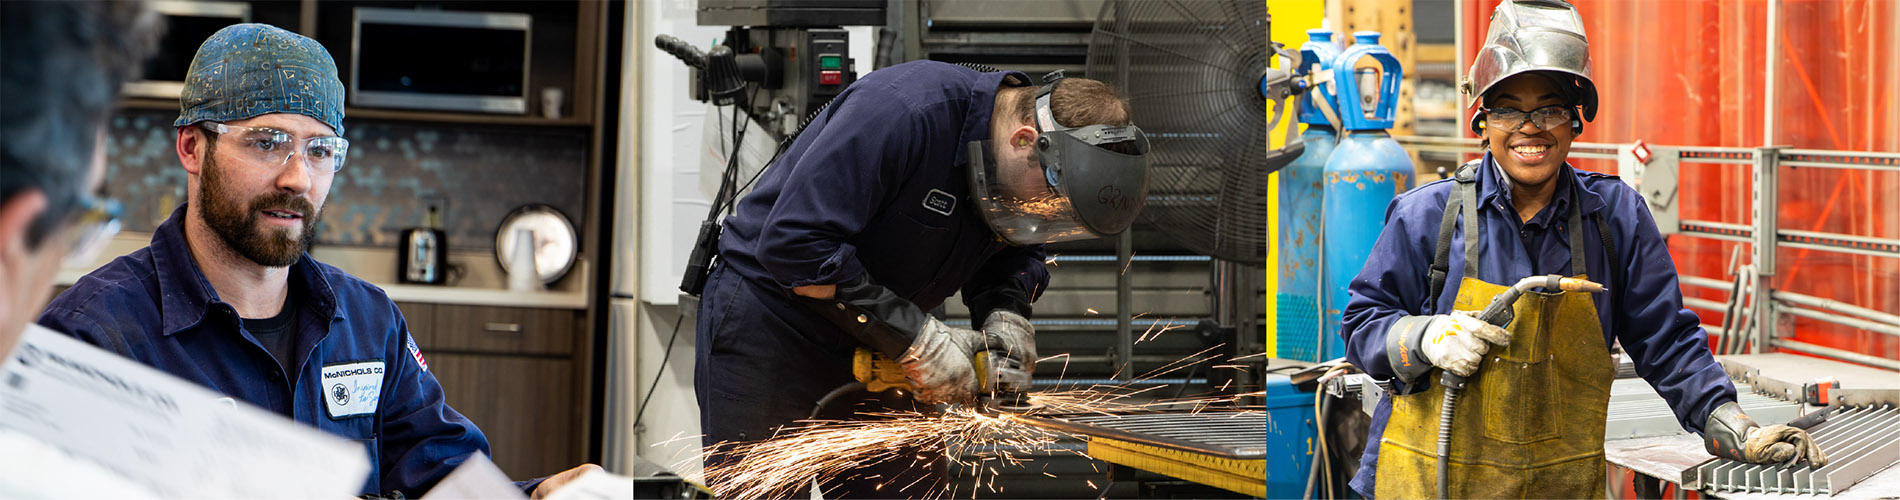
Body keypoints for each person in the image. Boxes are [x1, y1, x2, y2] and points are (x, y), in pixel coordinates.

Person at [35, 23, 596, 498]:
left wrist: (535, 495)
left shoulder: (368, 322)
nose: (297, 177)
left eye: (320, 150)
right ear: (192, 148)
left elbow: (445, 477)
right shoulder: (95, 337)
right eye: (266, 141)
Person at [1340, 1, 1824, 498]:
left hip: (1557, 484)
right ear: (1481, 122)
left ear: (1576, 121)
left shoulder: (1615, 217)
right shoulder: (1428, 216)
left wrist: (1736, 428)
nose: (1531, 126)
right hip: (1426, 480)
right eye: (1508, 108)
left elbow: (1668, 343)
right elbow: (1362, 324)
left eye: (1550, 109)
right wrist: (1425, 336)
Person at [694, 60, 1150, 497]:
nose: (1045, 219)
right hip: (773, 324)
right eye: (1050, 204)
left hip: (883, 337)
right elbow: (795, 246)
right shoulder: (902, 111)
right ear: (1025, 140)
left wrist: (1005, 313)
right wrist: (917, 338)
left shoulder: (1019, 178)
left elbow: (1014, 247)